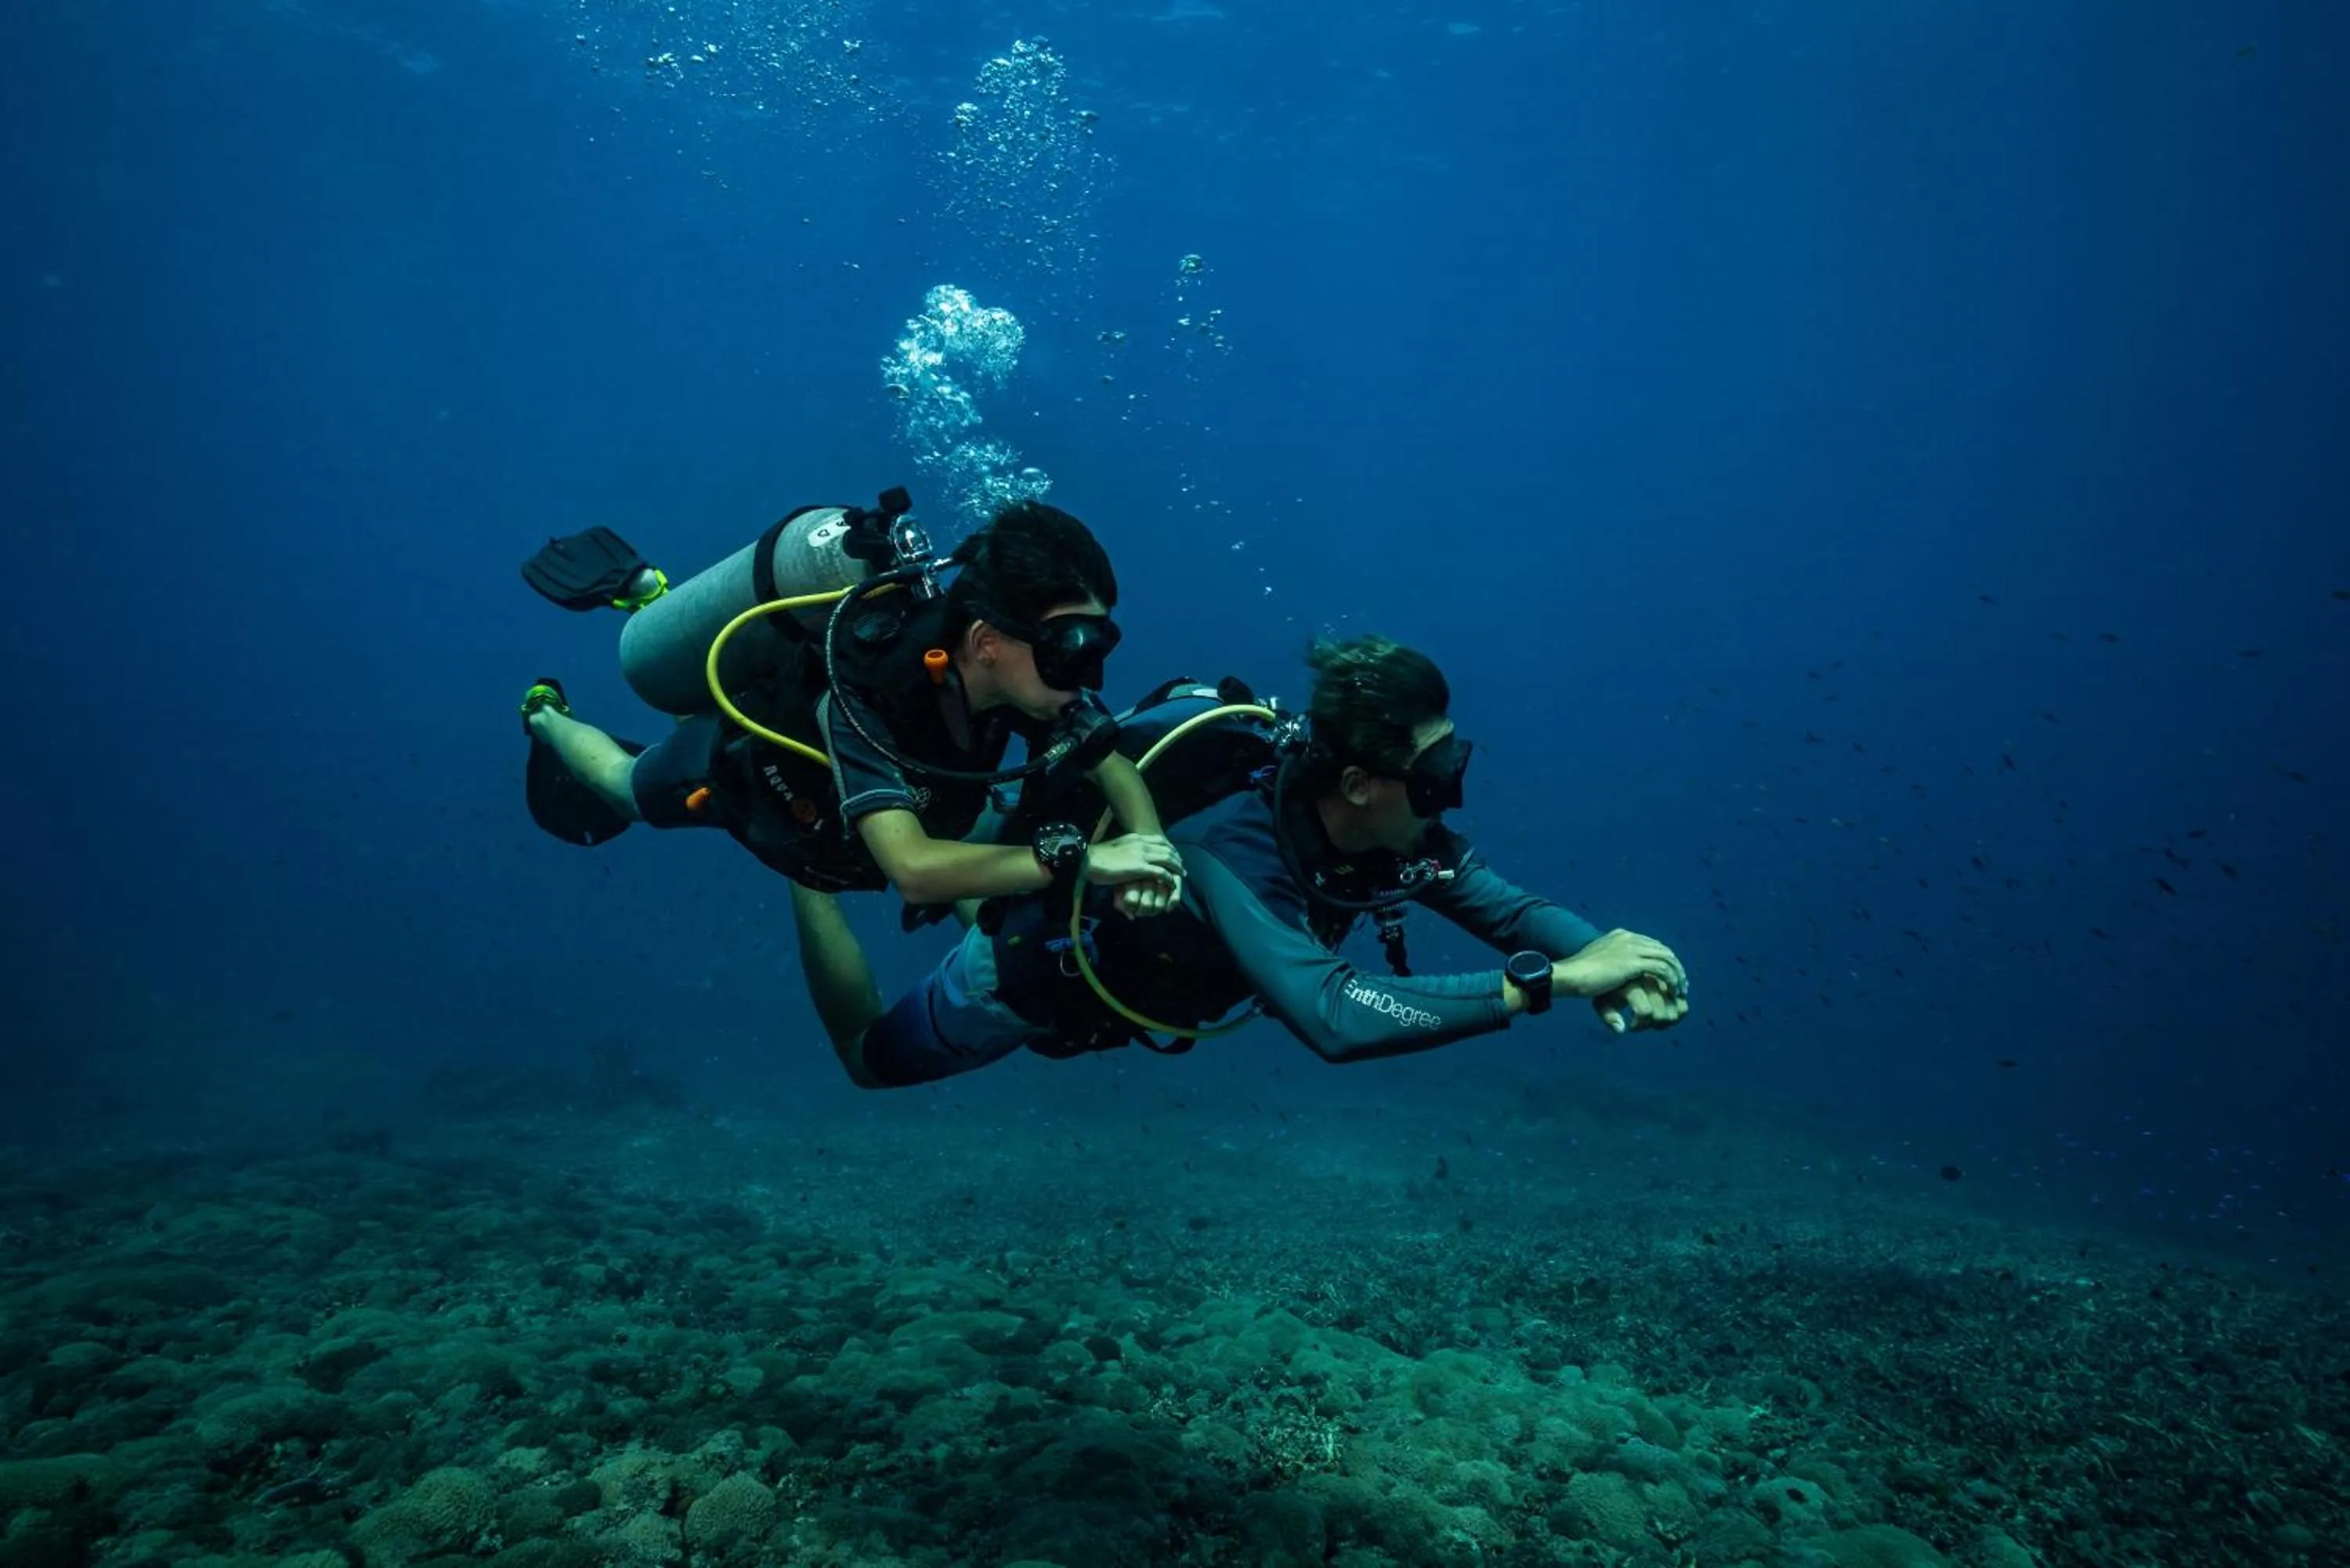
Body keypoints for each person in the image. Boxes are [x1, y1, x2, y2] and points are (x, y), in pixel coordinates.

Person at [794, 634, 1690, 1089]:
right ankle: (809, 874)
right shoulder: (1235, 849)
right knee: (869, 1061)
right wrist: (1551, 983)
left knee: (996, 884)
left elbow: (1506, 907)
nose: (1448, 798)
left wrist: (1618, 955)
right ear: (1359, 781)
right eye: (1433, 778)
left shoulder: (1387, 831)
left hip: (1124, 962)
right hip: (1023, 983)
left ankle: (974, 842)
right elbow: (1334, 1017)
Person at [516, 496, 1187, 927]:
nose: (1088, 672)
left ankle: (658, 604)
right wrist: (1089, 862)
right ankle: (545, 714)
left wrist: (1151, 850)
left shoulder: (1036, 680)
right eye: (1071, 647)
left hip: (868, 817)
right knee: (626, 790)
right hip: (752, 777)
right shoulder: (867, 691)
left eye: (1100, 643)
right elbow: (915, 871)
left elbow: (1112, 766)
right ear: (986, 643)